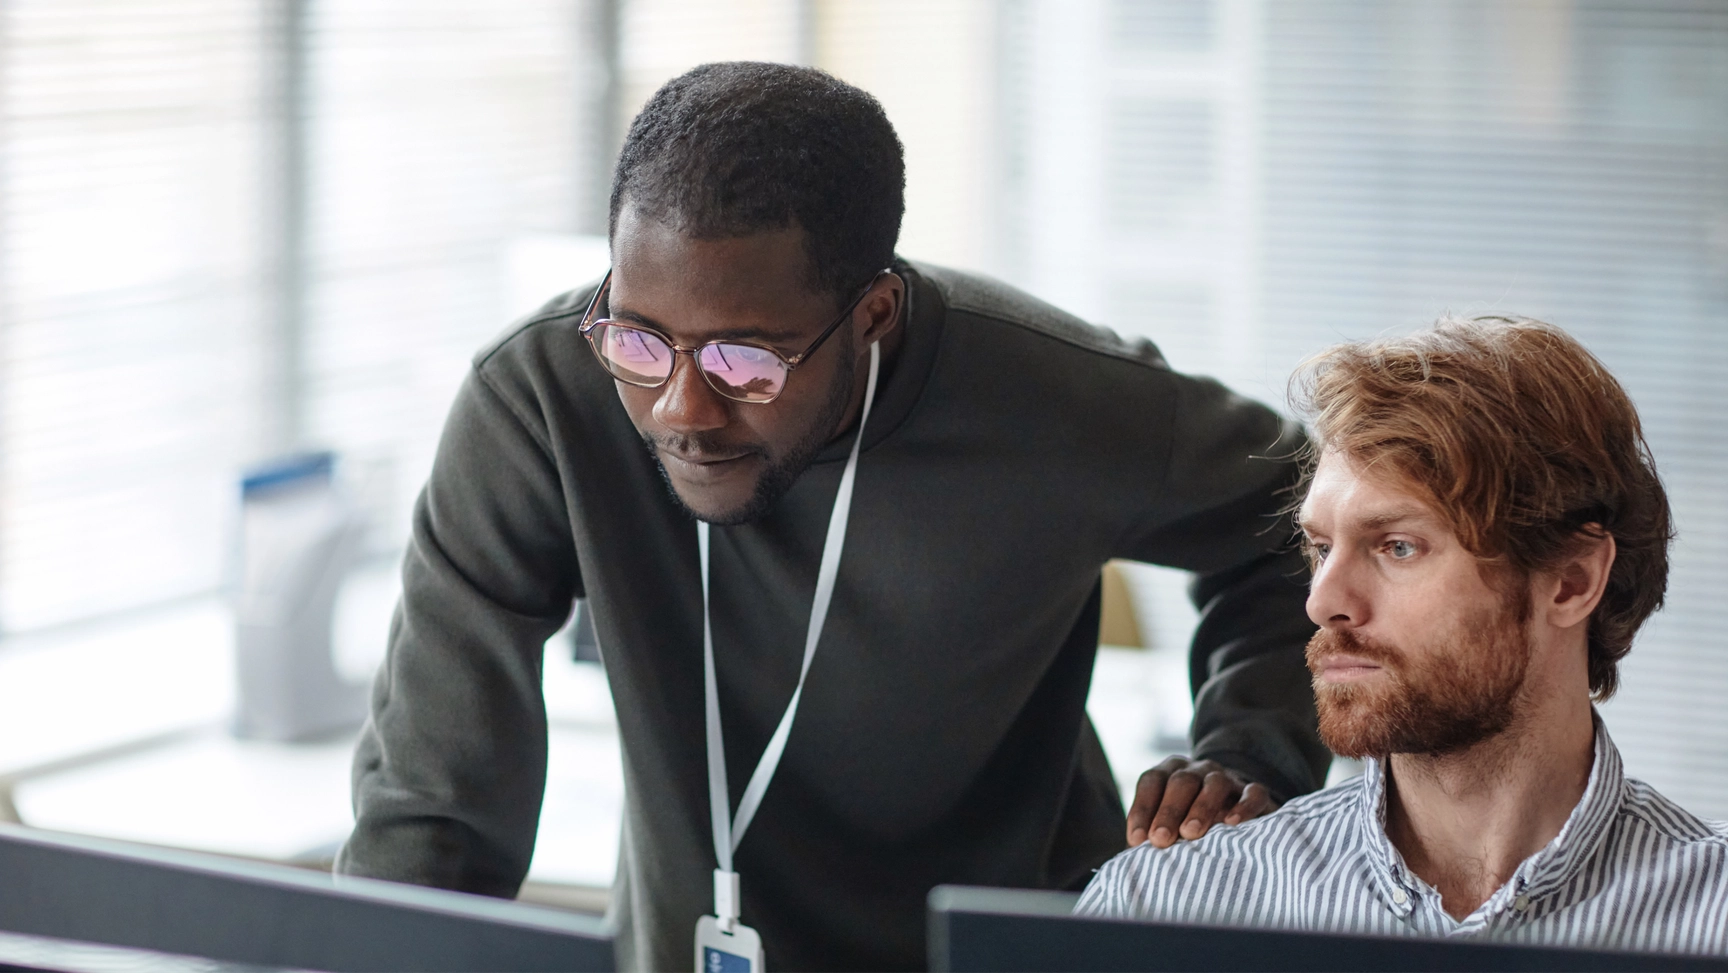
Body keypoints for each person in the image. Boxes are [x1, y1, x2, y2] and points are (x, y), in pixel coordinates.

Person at [337, 62, 1329, 972]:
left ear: (875, 315)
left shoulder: (1061, 400)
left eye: (744, 361)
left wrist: (1250, 749)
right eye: (638, 340)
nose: (681, 409)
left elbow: (1307, 519)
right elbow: (434, 807)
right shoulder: (541, 398)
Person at [1078, 316, 1728, 954]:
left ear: (1571, 581)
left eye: (1397, 546)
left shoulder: (1713, 915)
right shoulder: (1167, 912)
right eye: (1322, 547)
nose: (1322, 600)